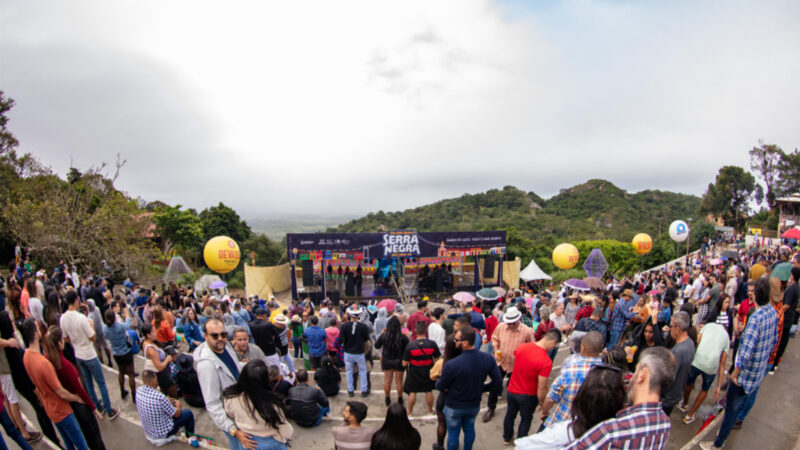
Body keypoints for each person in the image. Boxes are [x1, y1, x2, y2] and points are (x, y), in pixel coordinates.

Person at [700, 277, 779, 450]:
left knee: (730, 411)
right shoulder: (772, 312)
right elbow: (774, 342)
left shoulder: (756, 319)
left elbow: (744, 354)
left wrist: (733, 375)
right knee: (743, 402)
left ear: (756, 295)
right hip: (758, 372)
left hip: (744, 377)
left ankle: (718, 444)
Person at [564, 346, 676, 449]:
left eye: (636, 370)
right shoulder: (665, 425)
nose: (632, 378)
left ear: (642, 374)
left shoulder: (610, 432)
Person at [515, 360, 626, 449]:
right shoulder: (624, 437)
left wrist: (544, 410)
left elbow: (522, 446)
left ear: (581, 398)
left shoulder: (561, 434)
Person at [21, 318, 90, 450]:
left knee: (68, 442)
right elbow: (61, 392)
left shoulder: (26, 356)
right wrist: (77, 397)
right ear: (35, 334)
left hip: (50, 408)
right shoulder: (44, 363)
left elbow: (34, 385)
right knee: (81, 444)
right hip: (62, 410)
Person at [434, 326, 501, 450]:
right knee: (469, 429)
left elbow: (440, 386)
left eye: (457, 339)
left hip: (455, 405)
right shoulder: (487, 359)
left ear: (465, 343)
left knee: (453, 433)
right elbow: (497, 381)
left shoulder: (452, 364)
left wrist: (437, 382)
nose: (454, 341)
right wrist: (483, 388)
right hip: (473, 403)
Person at [41, 326, 106, 450]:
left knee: (84, 438)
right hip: (78, 404)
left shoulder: (48, 360)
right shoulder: (65, 365)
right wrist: (94, 408)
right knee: (94, 438)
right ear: (59, 343)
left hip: (68, 405)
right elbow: (80, 389)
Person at [59, 291, 119, 420]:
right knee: (101, 383)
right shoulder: (82, 318)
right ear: (76, 300)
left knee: (88, 382)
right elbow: (92, 337)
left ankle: (97, 406)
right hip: (89, 354)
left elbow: (65, 338)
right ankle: (109, 410)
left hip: (78, 354)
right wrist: (91, 325)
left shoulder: (63, 318)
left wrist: (75, 340)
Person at [194, 318, 251, 449]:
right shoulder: (207, 366)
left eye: (223, 334)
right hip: (230, 417)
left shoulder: (226, 347)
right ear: (205, 336)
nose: (220, 338)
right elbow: (212, 404)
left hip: (240, 405)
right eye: (215, 335)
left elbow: (235, 367)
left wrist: (247, 366)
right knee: (237, 444)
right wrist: (233, 430)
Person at [502, 328, 560, 444]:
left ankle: (506, 438)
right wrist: (541, 402)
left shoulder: (522, 347)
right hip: (528, 396)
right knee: (526, 419)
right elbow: (542, 386)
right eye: (554, 346)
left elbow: (515, 358)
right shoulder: (546, 361)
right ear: (553, 342)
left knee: (510, 414)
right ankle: (520, 443)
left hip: (512, 390)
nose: (553, 348)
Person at [540, 331, 604, 429]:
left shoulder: (571, 369)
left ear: (582, 347)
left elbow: (551, 397)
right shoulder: (607, 373)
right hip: (587, 426)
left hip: (562, 421)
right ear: (602, 348)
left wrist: (545, 412)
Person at [223, 360, 293, 449]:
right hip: (271, 444)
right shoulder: (272, 404)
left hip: (246, 441)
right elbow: (286, 432)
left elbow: (230, 414)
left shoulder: (231, 397)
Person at [486, 306, 534, 422]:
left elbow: (532, 347)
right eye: (509, 323)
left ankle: (512, 409)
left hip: (517, 365)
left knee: (512, 388)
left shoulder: (527, 331)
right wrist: (496, 349)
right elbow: (494, 338)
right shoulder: (501, 327)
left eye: (513, 323)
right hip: (501, 362)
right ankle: (491, 408)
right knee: (495, 385)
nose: (511, 325)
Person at [679, 317, 729, 424]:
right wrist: (719, 386)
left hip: (698, 360)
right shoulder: (727, 337)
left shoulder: (708, 326)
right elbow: (723, 363)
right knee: (704, 389)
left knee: (689, 382)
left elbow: (698, 339)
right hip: (711, 366)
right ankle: (689, 415)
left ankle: (684, 404)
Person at [136, 370, 195, 444]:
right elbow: (177, 414)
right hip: (163, 433)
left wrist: (167, 401)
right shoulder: (160, 397)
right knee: (188, 414)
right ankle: (190, 437)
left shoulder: (138, 391)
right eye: (156, 380)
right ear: (154, 382)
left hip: (149, 431)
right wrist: (178, 405)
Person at [661, 311, 695, 416]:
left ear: (678, 328)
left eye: (671, 326)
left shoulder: (678, 351)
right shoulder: (690, 343)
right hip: (676, 394)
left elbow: (669, 378)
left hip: (667, 398)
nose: (670, 329)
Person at [403, 321, 440, 416]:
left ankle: (409, 412)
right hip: (428, 369)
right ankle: (430, 411)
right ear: (426, 331)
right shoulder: (432, 344)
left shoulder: (410, 346)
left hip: (414, 371)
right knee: (428, 390)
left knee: (413, 392)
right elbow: (437, 359)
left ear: (415, 330)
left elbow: (404, 363)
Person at [101, 309, 136, 403]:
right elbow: (128, 324)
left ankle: (122, 390)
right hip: (126, 352)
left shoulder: (105, 329)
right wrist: (127, 315)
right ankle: (134, 395)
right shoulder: (120, 326)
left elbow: (105, 336)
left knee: (121, 372)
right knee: (131, 374)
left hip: (116, 353)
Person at [374, 316, 408, 406]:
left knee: (387, 380)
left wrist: (381, 334)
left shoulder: (384, 336)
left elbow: (376, 346)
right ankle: (400, 398)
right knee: (399, 381)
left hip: (387, 360)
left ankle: (387, 398)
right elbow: (407, 349)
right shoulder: (403, 337)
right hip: (399, 360)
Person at [340, 305, 372, 397]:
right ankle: (364, 390)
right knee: (362, 371)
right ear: (359, 315)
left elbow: (339, 340)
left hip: (348, 352)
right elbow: (366, 339)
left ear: (349, 314)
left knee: (349, 371)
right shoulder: (363, 327)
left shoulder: (344, 326)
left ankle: (350, 390)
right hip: (359, 352)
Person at [141, 323, 179, 398]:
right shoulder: (151, 349)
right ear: (148, 335)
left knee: (164, 393)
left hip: (162, 375)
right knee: (174, 395)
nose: (155, 333)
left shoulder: (146, 343)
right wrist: (167, 359)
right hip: (164, 375)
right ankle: (174, 408)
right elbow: (160, 367)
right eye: (153, 332)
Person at [773, 266, 800, 369]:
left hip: (786, 317)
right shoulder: (795, 287)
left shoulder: (793, 288)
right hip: (789, 317)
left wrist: (777, 311)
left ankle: (775, 361)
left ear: (792, 276)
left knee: (781, 339)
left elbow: (787, 305)